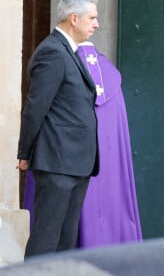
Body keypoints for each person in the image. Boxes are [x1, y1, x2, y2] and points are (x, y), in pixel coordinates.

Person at [23, 42, 143, 247]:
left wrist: (25, 151)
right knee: (60, 237)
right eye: (92, 18)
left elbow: (36, 110)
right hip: (88, 165)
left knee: (49, 234)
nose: (96, 24)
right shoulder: (106, 74)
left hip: (58, 161)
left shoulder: (59, 61)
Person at [17, 0, 100, 256]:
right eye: (92, 18)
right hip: (57, 163)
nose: (96, 24)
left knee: (65, 242)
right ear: (73, 19)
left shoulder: (69, 51)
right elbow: (35, 107)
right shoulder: (52, 52)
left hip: (75, 163)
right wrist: (24, 152)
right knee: (46, 239)